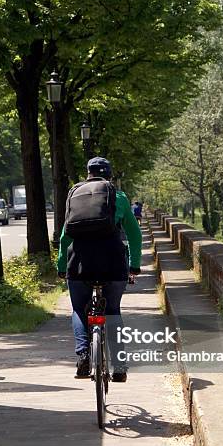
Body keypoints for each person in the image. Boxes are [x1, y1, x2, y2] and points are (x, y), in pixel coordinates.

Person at [57, 157, 142, 382]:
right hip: (113, 263)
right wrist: (134, 265)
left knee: (78, 309)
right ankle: (120, 366)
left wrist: (60, 267)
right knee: (113, 310)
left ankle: (83, 354)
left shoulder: (75, 195)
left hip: (79, 263)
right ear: (109, 175)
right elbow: (134, 235)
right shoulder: (119, 196)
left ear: (88, 174)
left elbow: (66, 237)